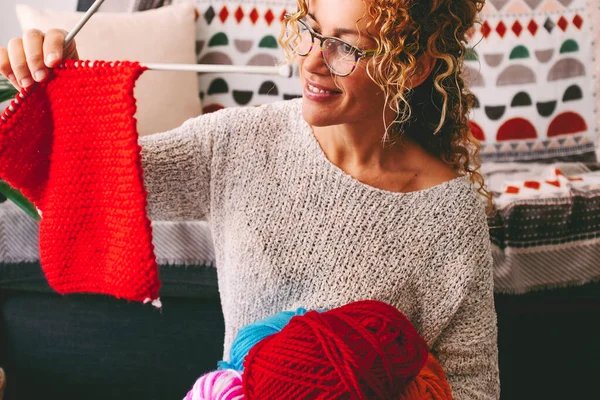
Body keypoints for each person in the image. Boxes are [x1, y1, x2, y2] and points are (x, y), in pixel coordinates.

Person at [0, 0, 500, 398]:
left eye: (346, 48)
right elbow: (79, 188)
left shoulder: (448, 214)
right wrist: (51, 89)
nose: (310, 61)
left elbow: (472, 387)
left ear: (413, 69)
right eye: (309, 29)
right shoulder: (239, 142)